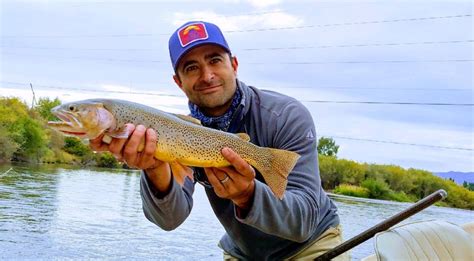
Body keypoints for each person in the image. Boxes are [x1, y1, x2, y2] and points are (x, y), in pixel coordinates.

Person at [90, 21, 348, 260]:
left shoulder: (286, 116)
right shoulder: (178, 132)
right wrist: (155, 167)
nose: (207, 75)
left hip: (312, 246)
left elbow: (304, 223)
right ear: (178, 82)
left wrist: (248, 195)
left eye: (215, 60)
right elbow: (169, 220)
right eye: (191, 68)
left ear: (234, 64)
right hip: (244, 252)